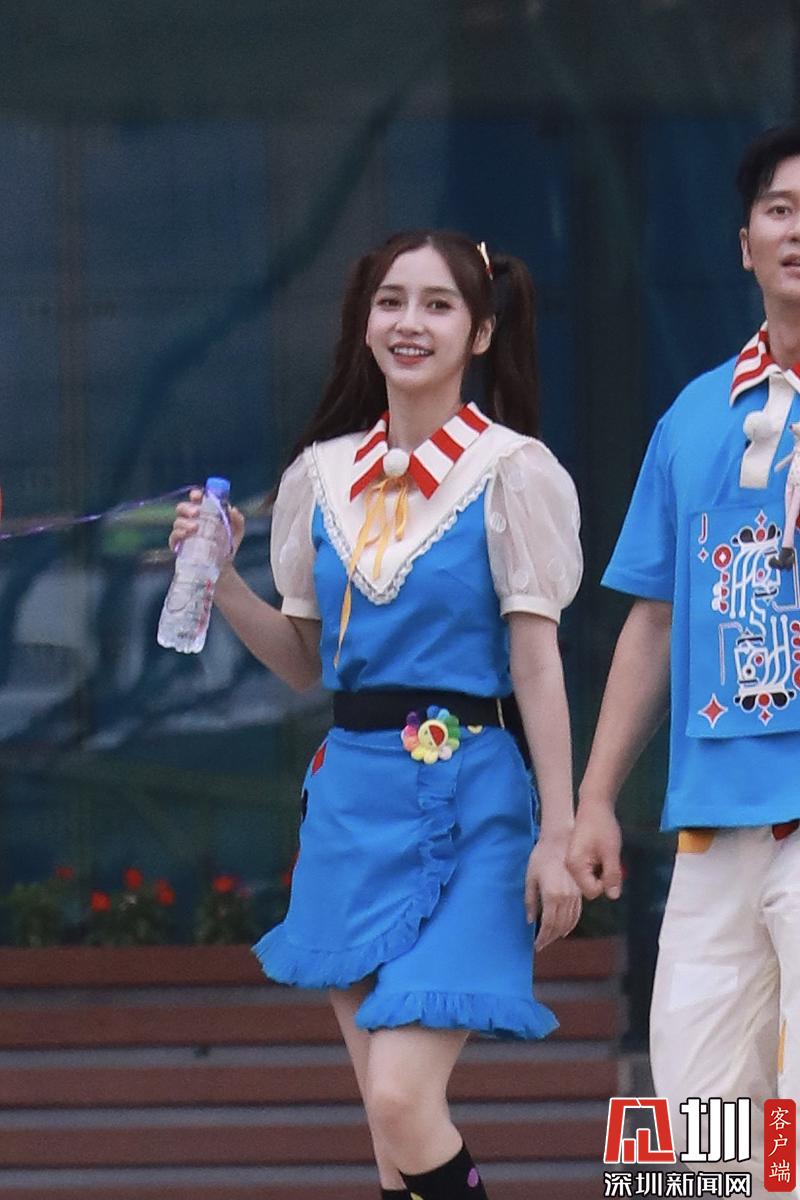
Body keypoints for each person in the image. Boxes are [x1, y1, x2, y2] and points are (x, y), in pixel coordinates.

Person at [171, 229, 583, 1200]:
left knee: (401, 1097)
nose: (410, 322)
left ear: (481, 331)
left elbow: (536, 661)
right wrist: (220, 578)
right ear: (363, 322)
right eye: (391, 301)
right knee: (388, 1137)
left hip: (473, 802)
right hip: (351, 806)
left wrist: (559, 833)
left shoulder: (511, 470)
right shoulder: (317, 478)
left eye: (438, 304)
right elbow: (305, 664)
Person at [568, 126, 800, 1192]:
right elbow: (653, 621)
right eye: (779, 210)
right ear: (744, 243)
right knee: (694, 1126)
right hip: (710, 828)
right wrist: (593, 798)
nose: (796, 231)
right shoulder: (694, 414)